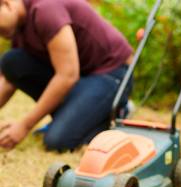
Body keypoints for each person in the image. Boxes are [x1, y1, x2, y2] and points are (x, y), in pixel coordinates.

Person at [0, 0, 133, 151]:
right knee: (11, 61)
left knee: (57, 141)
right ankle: (74, 116)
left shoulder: (46, 10)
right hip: (81, 78)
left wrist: (24, 125)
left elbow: (67, 75)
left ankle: (116, 111)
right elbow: (8, 81)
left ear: (6, 4)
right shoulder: (19, 26)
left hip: (111, 73)